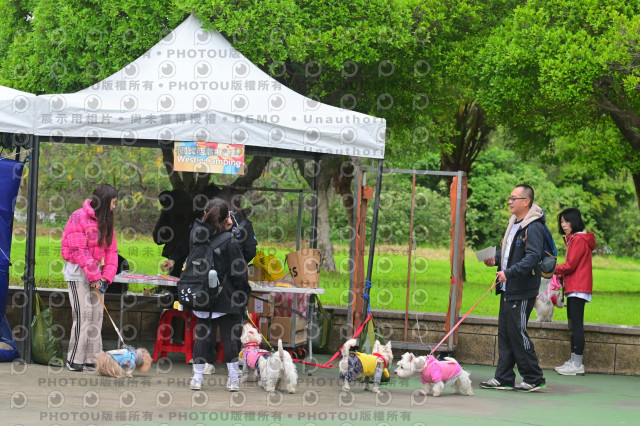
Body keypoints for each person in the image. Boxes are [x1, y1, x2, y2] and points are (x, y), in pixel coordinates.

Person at [480, 184, 546, 392]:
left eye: (513, 198)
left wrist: (509, 273)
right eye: (509, 198)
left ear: (526, 202)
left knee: (517, 332)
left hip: (522, 289)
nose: (510, 201)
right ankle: (504, 377)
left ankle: (534, 377)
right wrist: (495, 259)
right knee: (505, 332)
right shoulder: (514, 223)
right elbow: (509, 254)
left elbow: (533, 257)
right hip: (508, 287)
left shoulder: (534, 227)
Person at [188, 198, 250, 392]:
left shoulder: (195, 235)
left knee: (202, 338)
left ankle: (197, 378)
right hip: (227, 298)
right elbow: (238, 272)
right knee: (230, 339)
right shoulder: (230, 241)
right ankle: (233, 380)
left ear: (205, 213)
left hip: (202, 296)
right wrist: (244, 294)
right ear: (227, 217)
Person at [61, 184, 118, 372]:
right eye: (113, 203)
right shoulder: (77, 217)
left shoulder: (107, 219)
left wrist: (105, 278)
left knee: (96, 317)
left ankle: (92, 360)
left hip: (97, 276)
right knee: (83, 316)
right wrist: (94, 276)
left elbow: (111, 251)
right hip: (78, 274)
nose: (114, 207)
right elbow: (79, 250)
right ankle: (74, 359)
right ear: (105, 201)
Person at [553, 208, 595, 376]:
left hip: (578, 287)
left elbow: (570, 265)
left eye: (567, 221)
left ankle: (577, 364)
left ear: (575, 221)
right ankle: (573, 361)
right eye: (562, 222)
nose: (563, 225)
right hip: (576, 287)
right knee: (573, 325)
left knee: (576, 326)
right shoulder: (577, 238)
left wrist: (551, 268)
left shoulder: (578, 239)